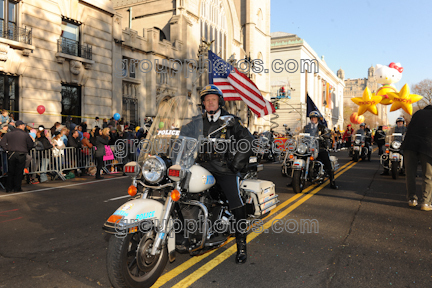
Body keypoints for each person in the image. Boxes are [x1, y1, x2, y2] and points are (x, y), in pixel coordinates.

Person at [180, 84, 254, 264]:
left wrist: (236, 163)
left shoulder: (230, 121)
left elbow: (247, 139)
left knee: (236, 201)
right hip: (200, 166)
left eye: (213, 99)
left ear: (219, 102)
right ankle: (188, 232)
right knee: (180, 192)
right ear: (203, 104)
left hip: (223, 168)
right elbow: (181, 136)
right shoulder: (197, 121)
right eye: (206, 100)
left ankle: (241, 245)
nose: (210, 102)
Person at [401, 105, 432, 211]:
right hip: (427, 147)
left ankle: (412, 199)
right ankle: (426, 203)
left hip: (410, 145)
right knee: (428, 175)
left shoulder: (418, 113)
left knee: (410, 173)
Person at [303, 111, 338, 189]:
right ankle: (294, 180)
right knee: (299, 156)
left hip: (319, 147)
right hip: (309, 147)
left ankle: (332, 182)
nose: (313, 119)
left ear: (317, 119)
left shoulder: (322, 127)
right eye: (312, 118)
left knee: (327, 162)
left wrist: (326, 136)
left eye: (314, 118)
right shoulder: (306, 127)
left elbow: (327, 134)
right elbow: (302, 135)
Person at [0, 120, 34, 192]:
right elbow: (31, 144)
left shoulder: (8, 134)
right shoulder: (25, 134)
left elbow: (2, 143)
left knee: (11, 171)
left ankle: (9, 188)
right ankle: (17, 188)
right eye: (23, 125)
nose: (24, 126)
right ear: (21, 126)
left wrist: (7, 149)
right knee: (18, 172)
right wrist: (26, 149)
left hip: (11, 153)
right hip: (21, 153)